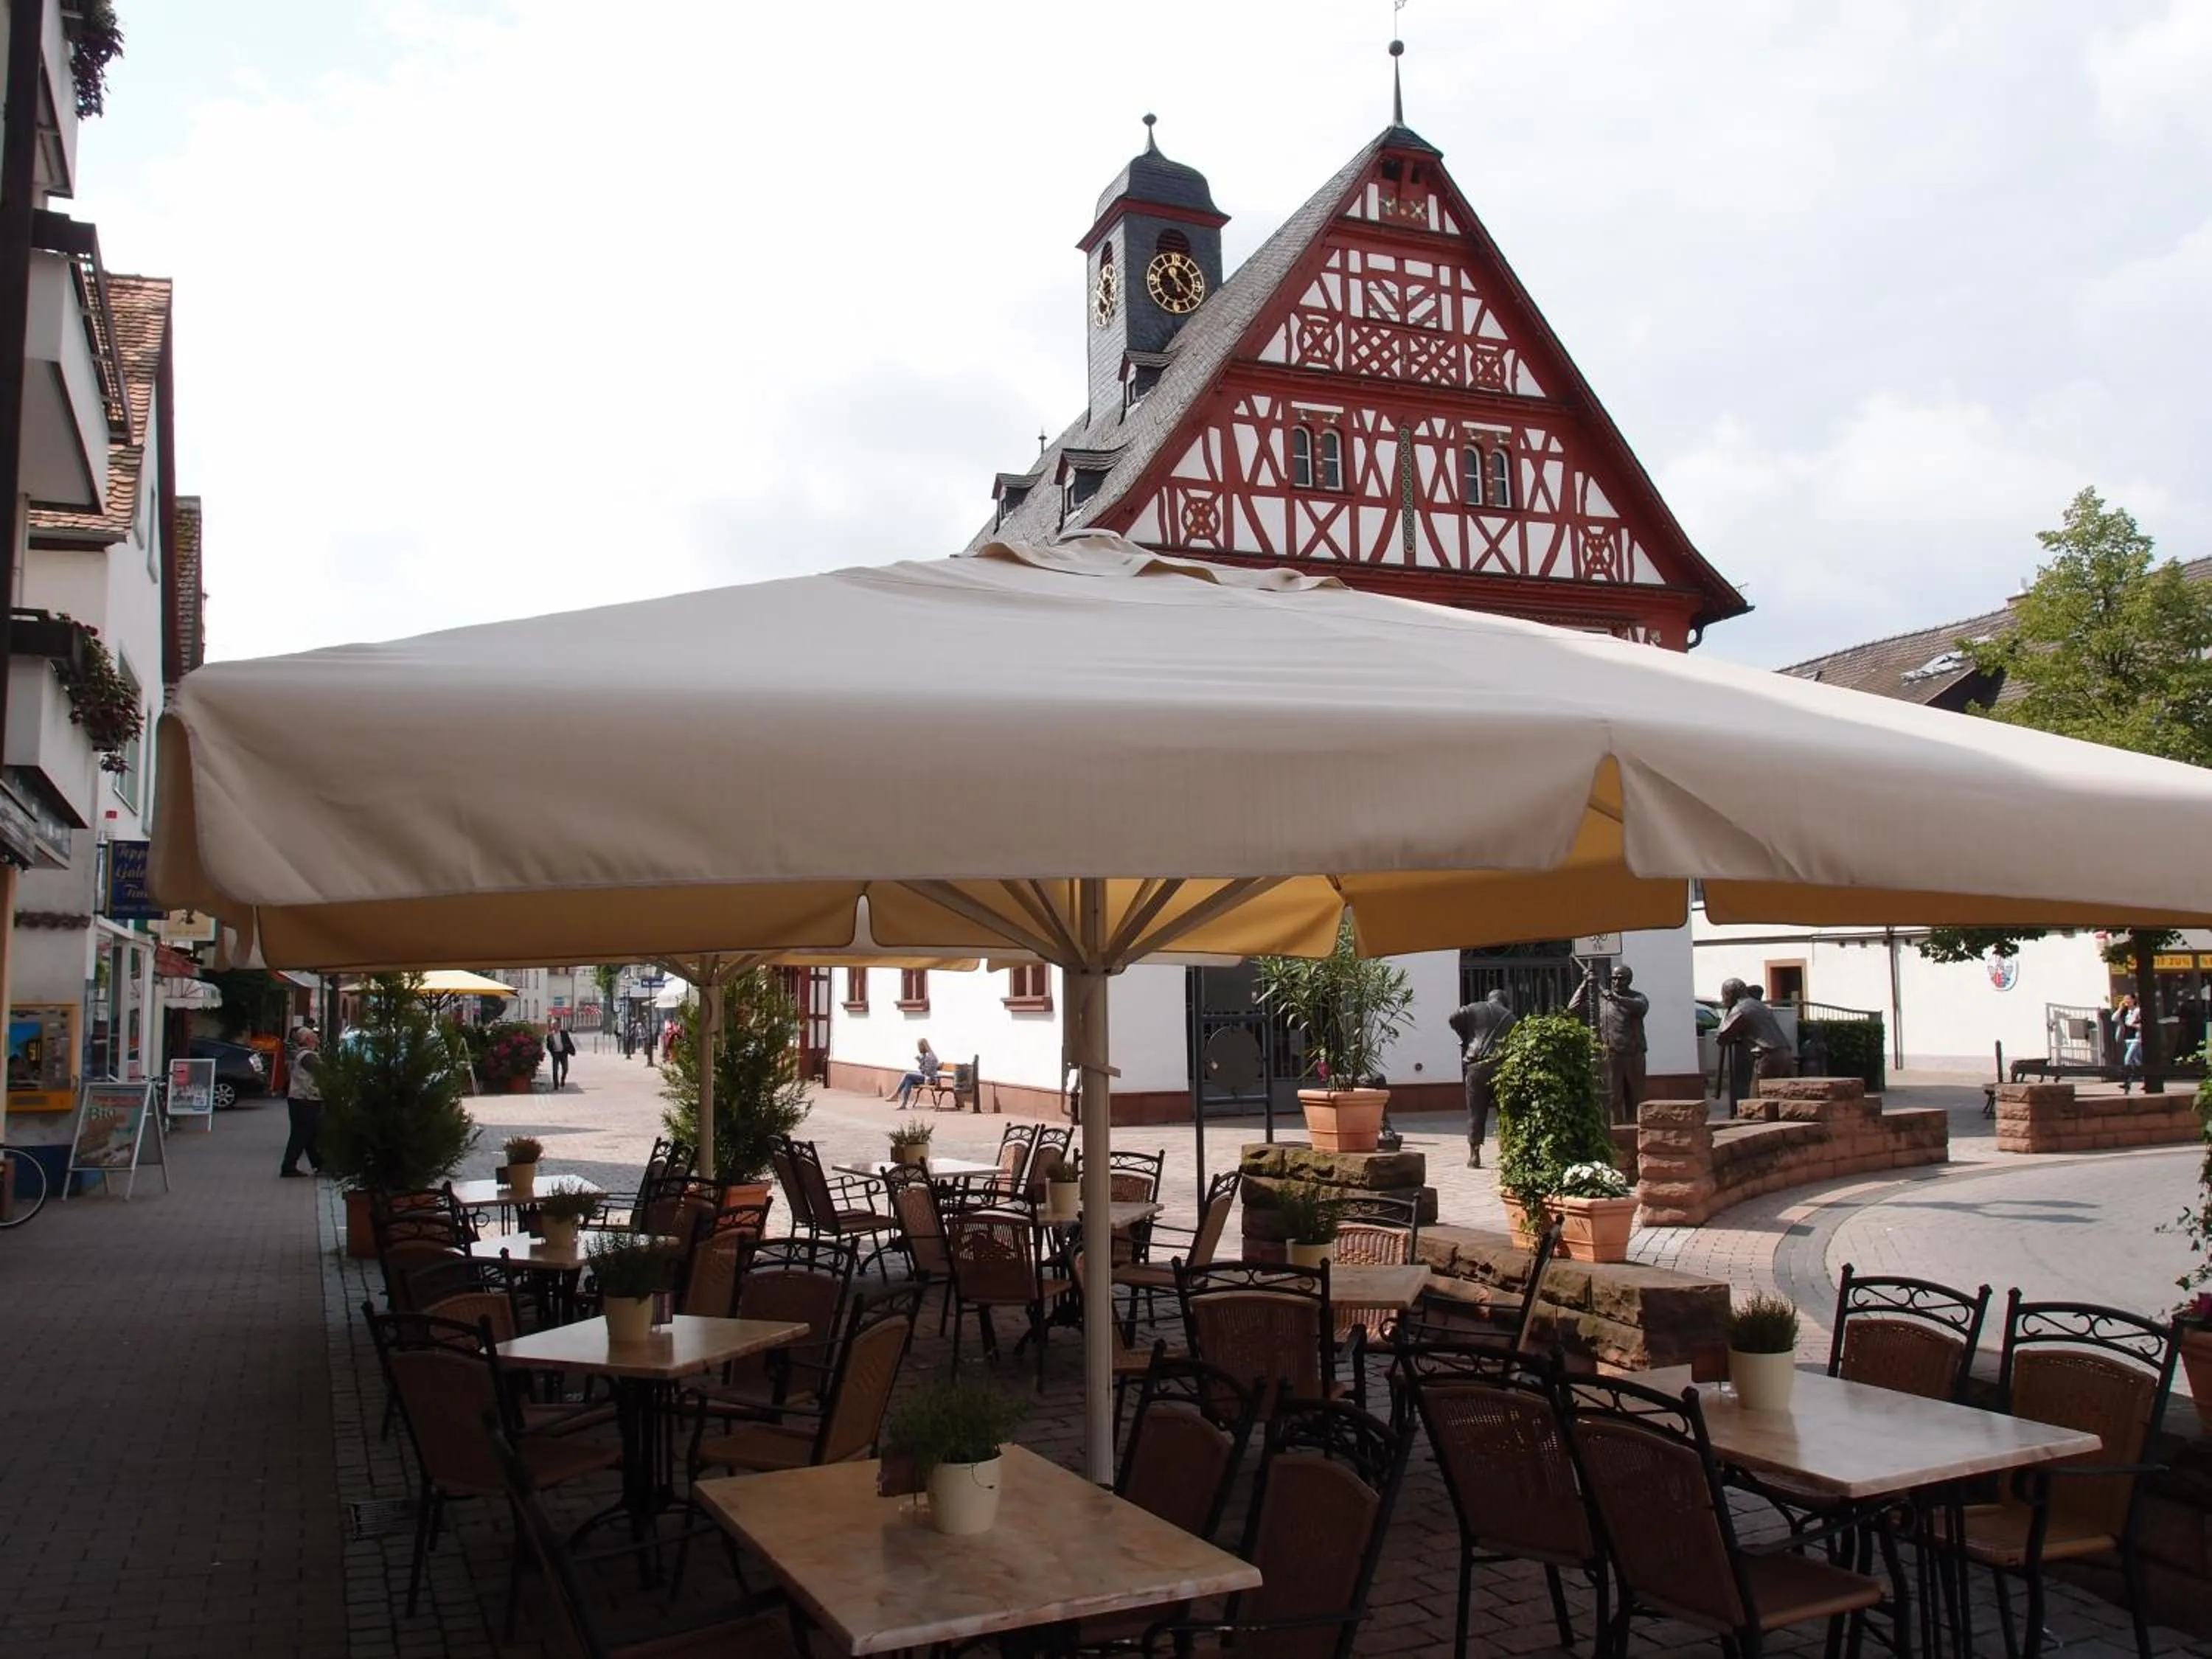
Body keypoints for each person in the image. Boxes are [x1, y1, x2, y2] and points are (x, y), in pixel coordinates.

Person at [1572, 962, 1650, 1125]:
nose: (1616, 982)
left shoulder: (1637, 997)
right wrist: (1585, 983)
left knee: (1636, 1097)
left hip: (1633, 1055)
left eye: (1621, 979)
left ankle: (1637, 1131)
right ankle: (1617, 1133)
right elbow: (1573, 1008)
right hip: (1611, 1055)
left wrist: (1617, 999)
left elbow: (1641, 1008)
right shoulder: (1602, 1001)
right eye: (1614, 979)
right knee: (1614, 1097)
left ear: (1629, 980)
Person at [1447, 990, 1517, 1168]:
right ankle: (1507, 1153)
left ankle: (1474, 1154)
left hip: (1477, 1066)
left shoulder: (1475, 1008)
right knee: (1505, 1111)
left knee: (1476, 1112)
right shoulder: (1511, 1018)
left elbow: (1453, 1018)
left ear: (1490, 999)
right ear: (1504, 1002)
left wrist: (1465, 1038)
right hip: (1502, 1066)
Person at [1714, 978, 1795, 1112]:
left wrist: (1726, 1013)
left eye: (1724, 995)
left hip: (1768, 1057)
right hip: (1785, 1053)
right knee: (1782, 1102)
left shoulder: (1740, 1009)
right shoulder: (1758, 1005)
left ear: (1730, 994)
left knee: (1758, 1104)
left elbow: (1721, 1037)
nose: (1724, 999)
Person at [279, 1026, 324, 1178]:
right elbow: (321, 1072)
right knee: (302, 1134)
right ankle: (289, 1166)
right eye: (314, 1036)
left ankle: (320, 1164)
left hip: (300, 1099)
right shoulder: (308, 1056)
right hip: (305, 1099)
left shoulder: (302, 1055)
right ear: (307, 1040)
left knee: (309, 1135)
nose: (317, 1038)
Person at [891, 1039, 941, 1108]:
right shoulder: (927, 1055)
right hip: (926, 1078)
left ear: (923, 1046)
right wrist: (921, 1063)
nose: (919, 1049)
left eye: (919, 1047)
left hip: (930, 1080)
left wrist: (920, 1062)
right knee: (909, 1080)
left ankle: (896, 1094)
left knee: (908, 1075)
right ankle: (903, 1104)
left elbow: (928, 1072)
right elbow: (923, 1071)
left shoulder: (931, 1056)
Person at [2118, 993, 2143, 1093]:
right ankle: (2146, 1079)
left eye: (2128, 999)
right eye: (2125, 999)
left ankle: (2127, 1082)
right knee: (2138, 1061)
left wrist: (2133, 1025)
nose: (2126, 1001)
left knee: (2127, 1059)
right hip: (2128, 1038)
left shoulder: (2138, 1010)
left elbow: (2142, 1024)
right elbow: (2114, 1018)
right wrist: (2120, 1008)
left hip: (2137, 1039)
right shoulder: (2125, 1011)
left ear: (2133, 1000)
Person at [545, 1018, 576, 1089]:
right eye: (553, 1025)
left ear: (558, 1025)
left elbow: (569, 1042)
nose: (554, 1026)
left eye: (556, 1025)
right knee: (555, 1070)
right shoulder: (550, 1035)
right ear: (552, 1026)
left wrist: (571, 1050)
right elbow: (548, 1046)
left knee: (565, 1068)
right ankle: (556, 1085)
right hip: (555, 1054)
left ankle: (562, 1079)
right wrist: (552, 1052)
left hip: (563, 1053)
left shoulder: (564, 1033)